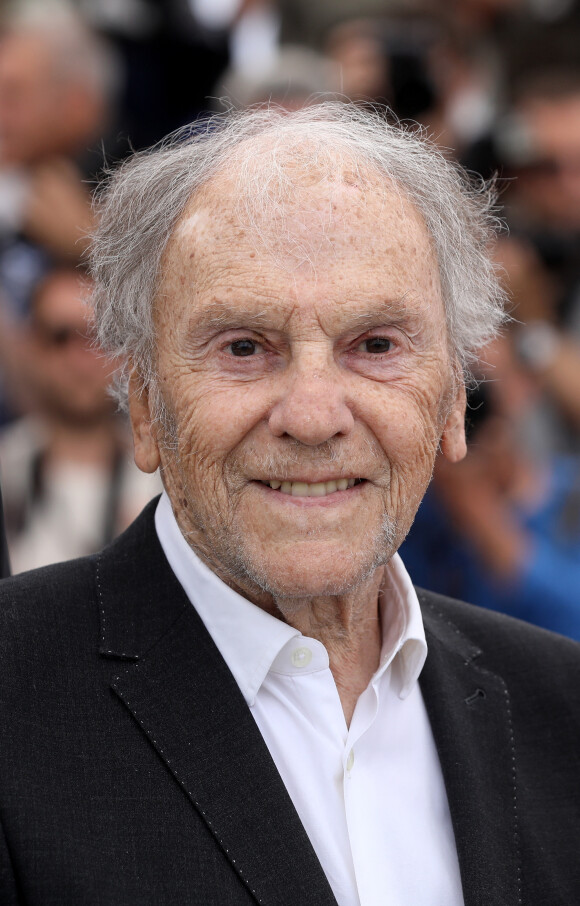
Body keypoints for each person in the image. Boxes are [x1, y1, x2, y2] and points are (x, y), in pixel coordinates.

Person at [0, 103, 578, 906]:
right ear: (142, 405)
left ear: (452, 403)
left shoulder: (562, 710)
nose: (312, 416)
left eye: (375, 345)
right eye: (243, 347)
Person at [0, 265, 162, 573]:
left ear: (124, 350)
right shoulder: (6, 469)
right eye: (60, 337)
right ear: (31, 347)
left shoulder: (166, 480)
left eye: (98, 335)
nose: (80, 358)